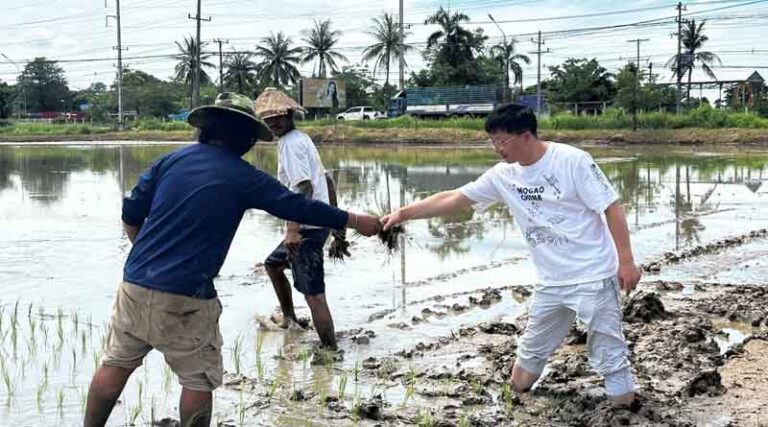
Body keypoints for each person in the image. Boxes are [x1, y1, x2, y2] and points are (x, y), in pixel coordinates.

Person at [83, 92, 381, 427]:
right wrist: (354, 221)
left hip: (134, 284)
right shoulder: (243, 176)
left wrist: (144, 254)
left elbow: (131, 212)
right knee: (196, 380)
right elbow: (297, 205)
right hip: (188, 294)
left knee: (115, 366)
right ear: (246, 140)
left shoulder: (169, 161)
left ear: (204, 130)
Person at [381, 104, 641, 405]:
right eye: (491, 141)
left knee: (610, 354)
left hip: (593, 275)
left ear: (526, 135)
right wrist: (403, 213)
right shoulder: (503, 176)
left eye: (501, 141)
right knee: (522, 373)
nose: (496, 148)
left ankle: (624, 411)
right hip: (552, 282)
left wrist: (626, 260)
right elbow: (455, 198)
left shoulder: (572, 160)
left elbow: (611, 205)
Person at [254, 88, 344, 350]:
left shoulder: (292, 143)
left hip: (306, 228)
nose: (274, 123)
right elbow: (325, 180)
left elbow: (303, 186)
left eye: (279, 117)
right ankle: (290, 319)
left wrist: (292, 229)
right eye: (268, 119)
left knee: (314, 294)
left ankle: (330, 351)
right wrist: (336, 223)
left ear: (290, 114)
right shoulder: (298, 139)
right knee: (273, 265)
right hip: (315, 224)